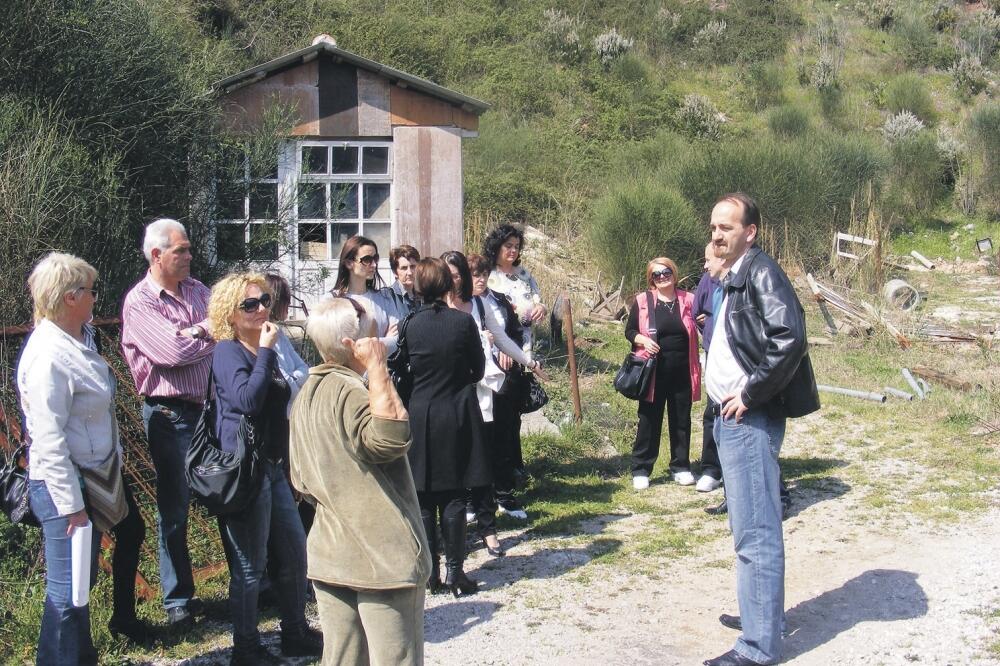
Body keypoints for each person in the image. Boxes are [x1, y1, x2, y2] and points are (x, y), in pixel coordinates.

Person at [702, 193, 819, 666]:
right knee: (747, 529)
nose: (717, 235)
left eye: (727, 227)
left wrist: (750, 394)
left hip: (748, 419)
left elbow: (789, 337)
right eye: (714, 227)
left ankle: (758, 647)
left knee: (756, 535)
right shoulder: (736, 275)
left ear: (749, 232)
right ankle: (760, 618)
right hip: (731, 419)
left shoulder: (761, 272)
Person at [18, 252, 146, 662]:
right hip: (66, 487)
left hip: (94, 477)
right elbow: (48, 439)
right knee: (68, 592)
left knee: (77, 587)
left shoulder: (77, 339)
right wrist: (72, 507)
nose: (96, 298)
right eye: (92, 291)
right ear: (70, 297)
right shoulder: (48, 355)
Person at [290, 297, 428, 665]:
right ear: (354, 343)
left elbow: (299, 478)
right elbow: (392, 438)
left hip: (330, 555)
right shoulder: (352, 392)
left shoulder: (306, 393)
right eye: (371, 326)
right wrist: (378, 367)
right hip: (383, 559)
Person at [207, 273, 323, 664]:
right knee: (249, 565)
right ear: (230, 314)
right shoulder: (228, 352)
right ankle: (246, 648)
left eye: (265, 301)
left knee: (294, 549)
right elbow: (247, 401)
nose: (261, 309)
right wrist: (267, 353)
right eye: (250, 304)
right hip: (246, 470)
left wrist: (291, 463)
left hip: (273, 465)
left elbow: (284, 405)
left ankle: (294, 631)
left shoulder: (268, 346)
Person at [121, 218, 212, 627]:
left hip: (209, 409)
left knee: (227, 494)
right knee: (174, 508)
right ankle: (178, 599)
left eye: (189, 248)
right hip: (169, 415)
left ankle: (250, 584)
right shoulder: (140, 302)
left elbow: (226, 325)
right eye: (181, 250)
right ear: (157, 255)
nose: (190, 256)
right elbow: (170, 353)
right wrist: (206, 333)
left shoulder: (198, 290)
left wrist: (196, 332)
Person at [442, 251, 548, 558]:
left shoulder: (479, 304)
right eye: (451, 275)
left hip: (480, 389)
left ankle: (488, 528)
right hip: (448, 393)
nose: (457, 280)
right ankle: (458, 526)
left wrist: (529, 362)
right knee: (455, 458)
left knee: (483, 455)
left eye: (459, 274)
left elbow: (502, 338)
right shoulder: (435, 307)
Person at [404, 258, 487, 596]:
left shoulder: (410, 324)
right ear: (447, 284)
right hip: (455, 410)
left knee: (423, 495)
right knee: (454, 493)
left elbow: (405, 371)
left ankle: (430, 574)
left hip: (420, 412)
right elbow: (478, 369)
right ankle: (456, 573)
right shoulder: (462, 322)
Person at [482, 224, 547, 519]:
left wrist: (540, 308)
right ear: (496, 247)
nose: (512, 250)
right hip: (498, 356)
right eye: (508, 245)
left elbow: (536, 300)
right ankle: (496, 487)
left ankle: (512, 473)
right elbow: (487, 319)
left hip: (523, 351)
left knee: (513, 417)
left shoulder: (524, 275)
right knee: (498, 422)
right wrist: (499, 351)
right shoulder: (487, 277)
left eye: (516, 246)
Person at [625, 257, 702, 490]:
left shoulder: (689, 300)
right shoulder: (643, 301)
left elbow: (702, 324)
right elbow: (630, 331)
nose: (662, 277)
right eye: (656, 275)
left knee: (681, 421)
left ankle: (681, 467)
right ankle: (641, 469)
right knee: (648, 421)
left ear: (674, 273)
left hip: (683, 371)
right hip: (653, 373)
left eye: (666, 272)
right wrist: (643, 340)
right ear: (651, 279)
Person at [261, 273, 313, 602]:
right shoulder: (261, 340)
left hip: (293, 424)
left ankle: (298, 574)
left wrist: (292, 380)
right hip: (276, 430)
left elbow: (301, 372)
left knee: (300, 498)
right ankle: (279, 577)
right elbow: (284, 382)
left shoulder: (279, 336)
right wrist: (293, 380)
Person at [693, 243, 727, 493]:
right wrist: (709, 325)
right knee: (712, 411)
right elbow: (697, 312)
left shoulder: (750, 277)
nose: (705, 265)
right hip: (714, 353)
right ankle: (711, 469)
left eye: (708, 259)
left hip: (742, 361)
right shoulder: (709, 280)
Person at [330, 235, 397, 353]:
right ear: (349, 263)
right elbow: (335, 345)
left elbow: (396, 341)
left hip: (382, 364)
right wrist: (382, 341)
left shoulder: (385, 298)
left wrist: (361, 344)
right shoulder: (332, 300)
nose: (374, 264)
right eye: (367, 260)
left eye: (375, 258)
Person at [377, 244, 421, 321]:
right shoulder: (386, 297)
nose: (410, 272)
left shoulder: (423, 296)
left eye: (413, 267)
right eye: (404, 268)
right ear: (395, 272)